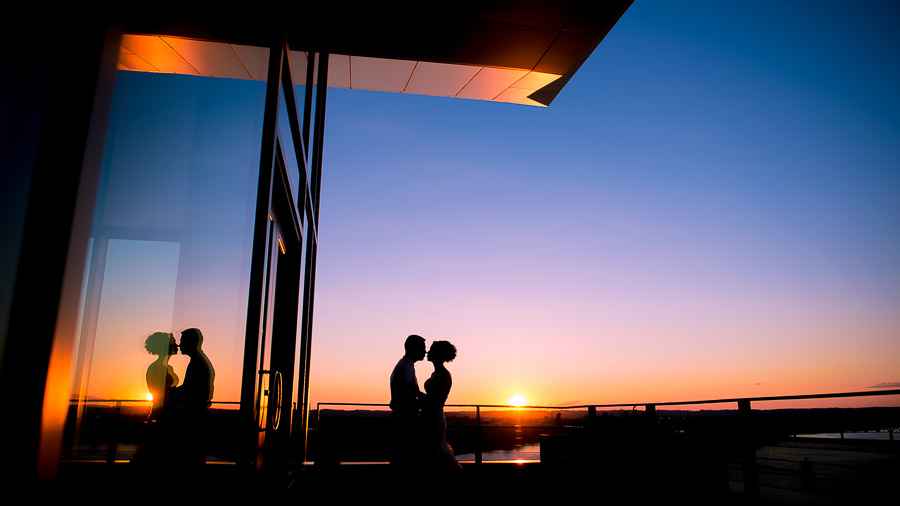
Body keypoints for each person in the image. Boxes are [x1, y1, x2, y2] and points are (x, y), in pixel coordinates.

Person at [176, 328, 215, 466]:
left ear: (191, 342)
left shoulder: (196, 363)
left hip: (193, 417)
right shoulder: (200, 361)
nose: (180, 345)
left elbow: (189, 389)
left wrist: (168, 393)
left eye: (182, 341)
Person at [421, 340, 462, 471]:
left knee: (434, 451)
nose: (428, 352)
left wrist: (413, 391)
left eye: (431, 350)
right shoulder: (438, 373)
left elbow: (434, 401)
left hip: (433, 417)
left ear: (438, 354)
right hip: (430, 415)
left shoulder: (443, 375)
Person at [389, 334, 426, 468]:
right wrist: (425, 405)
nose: (425, 351)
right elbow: (403, 396)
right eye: (423, 348)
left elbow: (410, 391)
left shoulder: (405, 365)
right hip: (405, 419)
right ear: (414, 349)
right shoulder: (405, 367)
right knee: (405, 459)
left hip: (404, 418)